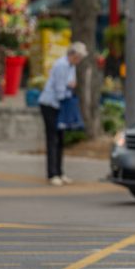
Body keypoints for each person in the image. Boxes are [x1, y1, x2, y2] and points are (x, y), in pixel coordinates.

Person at [38, 41, 88, 186]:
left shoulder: (71, 66)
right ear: (73, 55)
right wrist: (69, 87)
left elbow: (71, 84)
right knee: (53, 138)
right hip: (50, 104)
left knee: (60, 138)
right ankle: (52, 173)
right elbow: (60, 90)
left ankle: (60, 171)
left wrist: (70, 87)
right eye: (79, 57)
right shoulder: (61, 65)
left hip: (60, 104)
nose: (79, 61)